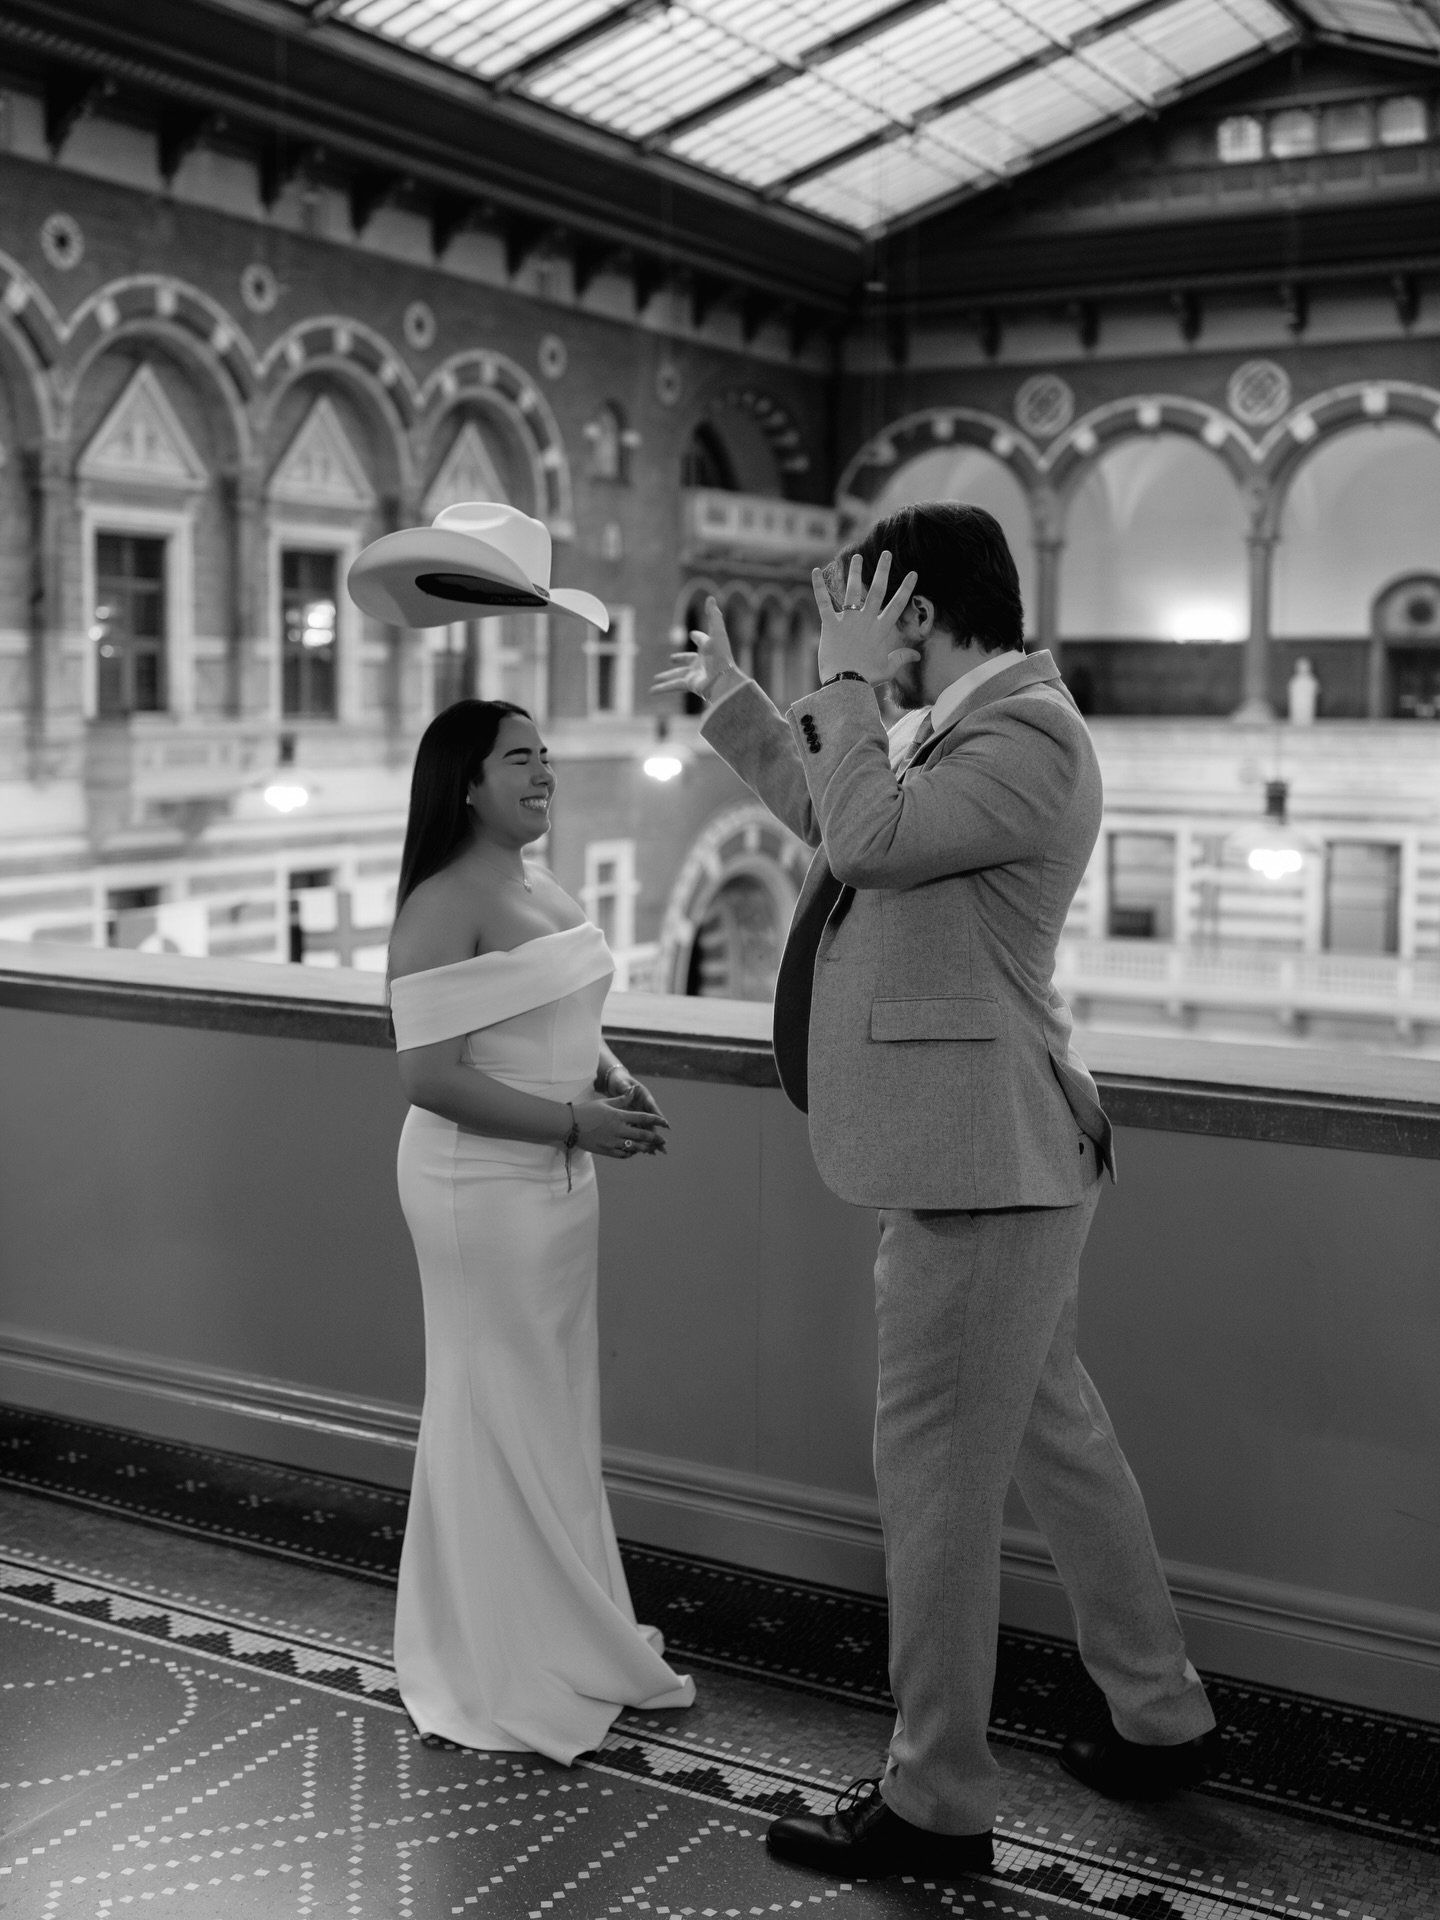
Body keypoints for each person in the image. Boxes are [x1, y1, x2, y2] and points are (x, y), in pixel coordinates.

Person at [654, 501, 1218, 1881]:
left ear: (915, 609)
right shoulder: (964, 725)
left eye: (862, 604)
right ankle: (1159, 1711)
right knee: (1052, 1436)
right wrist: (733, 706)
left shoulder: (1028, 731)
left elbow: (866, 842)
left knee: (937, 1484)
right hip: (984, 1151)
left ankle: (937, 1800)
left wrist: (842, 679)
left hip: (986, 1163)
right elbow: (838, 812)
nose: (849, 628)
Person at [385, 697, 694, 1762]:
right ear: (466, 780)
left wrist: (608, 1076)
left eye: (546, 755)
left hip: (561, 1175)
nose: (544, 771)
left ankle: (566, 1626)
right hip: (480, 1185)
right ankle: (489, 1658)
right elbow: (430, 1075)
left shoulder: (541, 878)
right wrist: (576, 1121)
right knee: (492, 1405)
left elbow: (559, 1011)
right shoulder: (444, 897)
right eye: (522, 758)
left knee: (553, 1408)